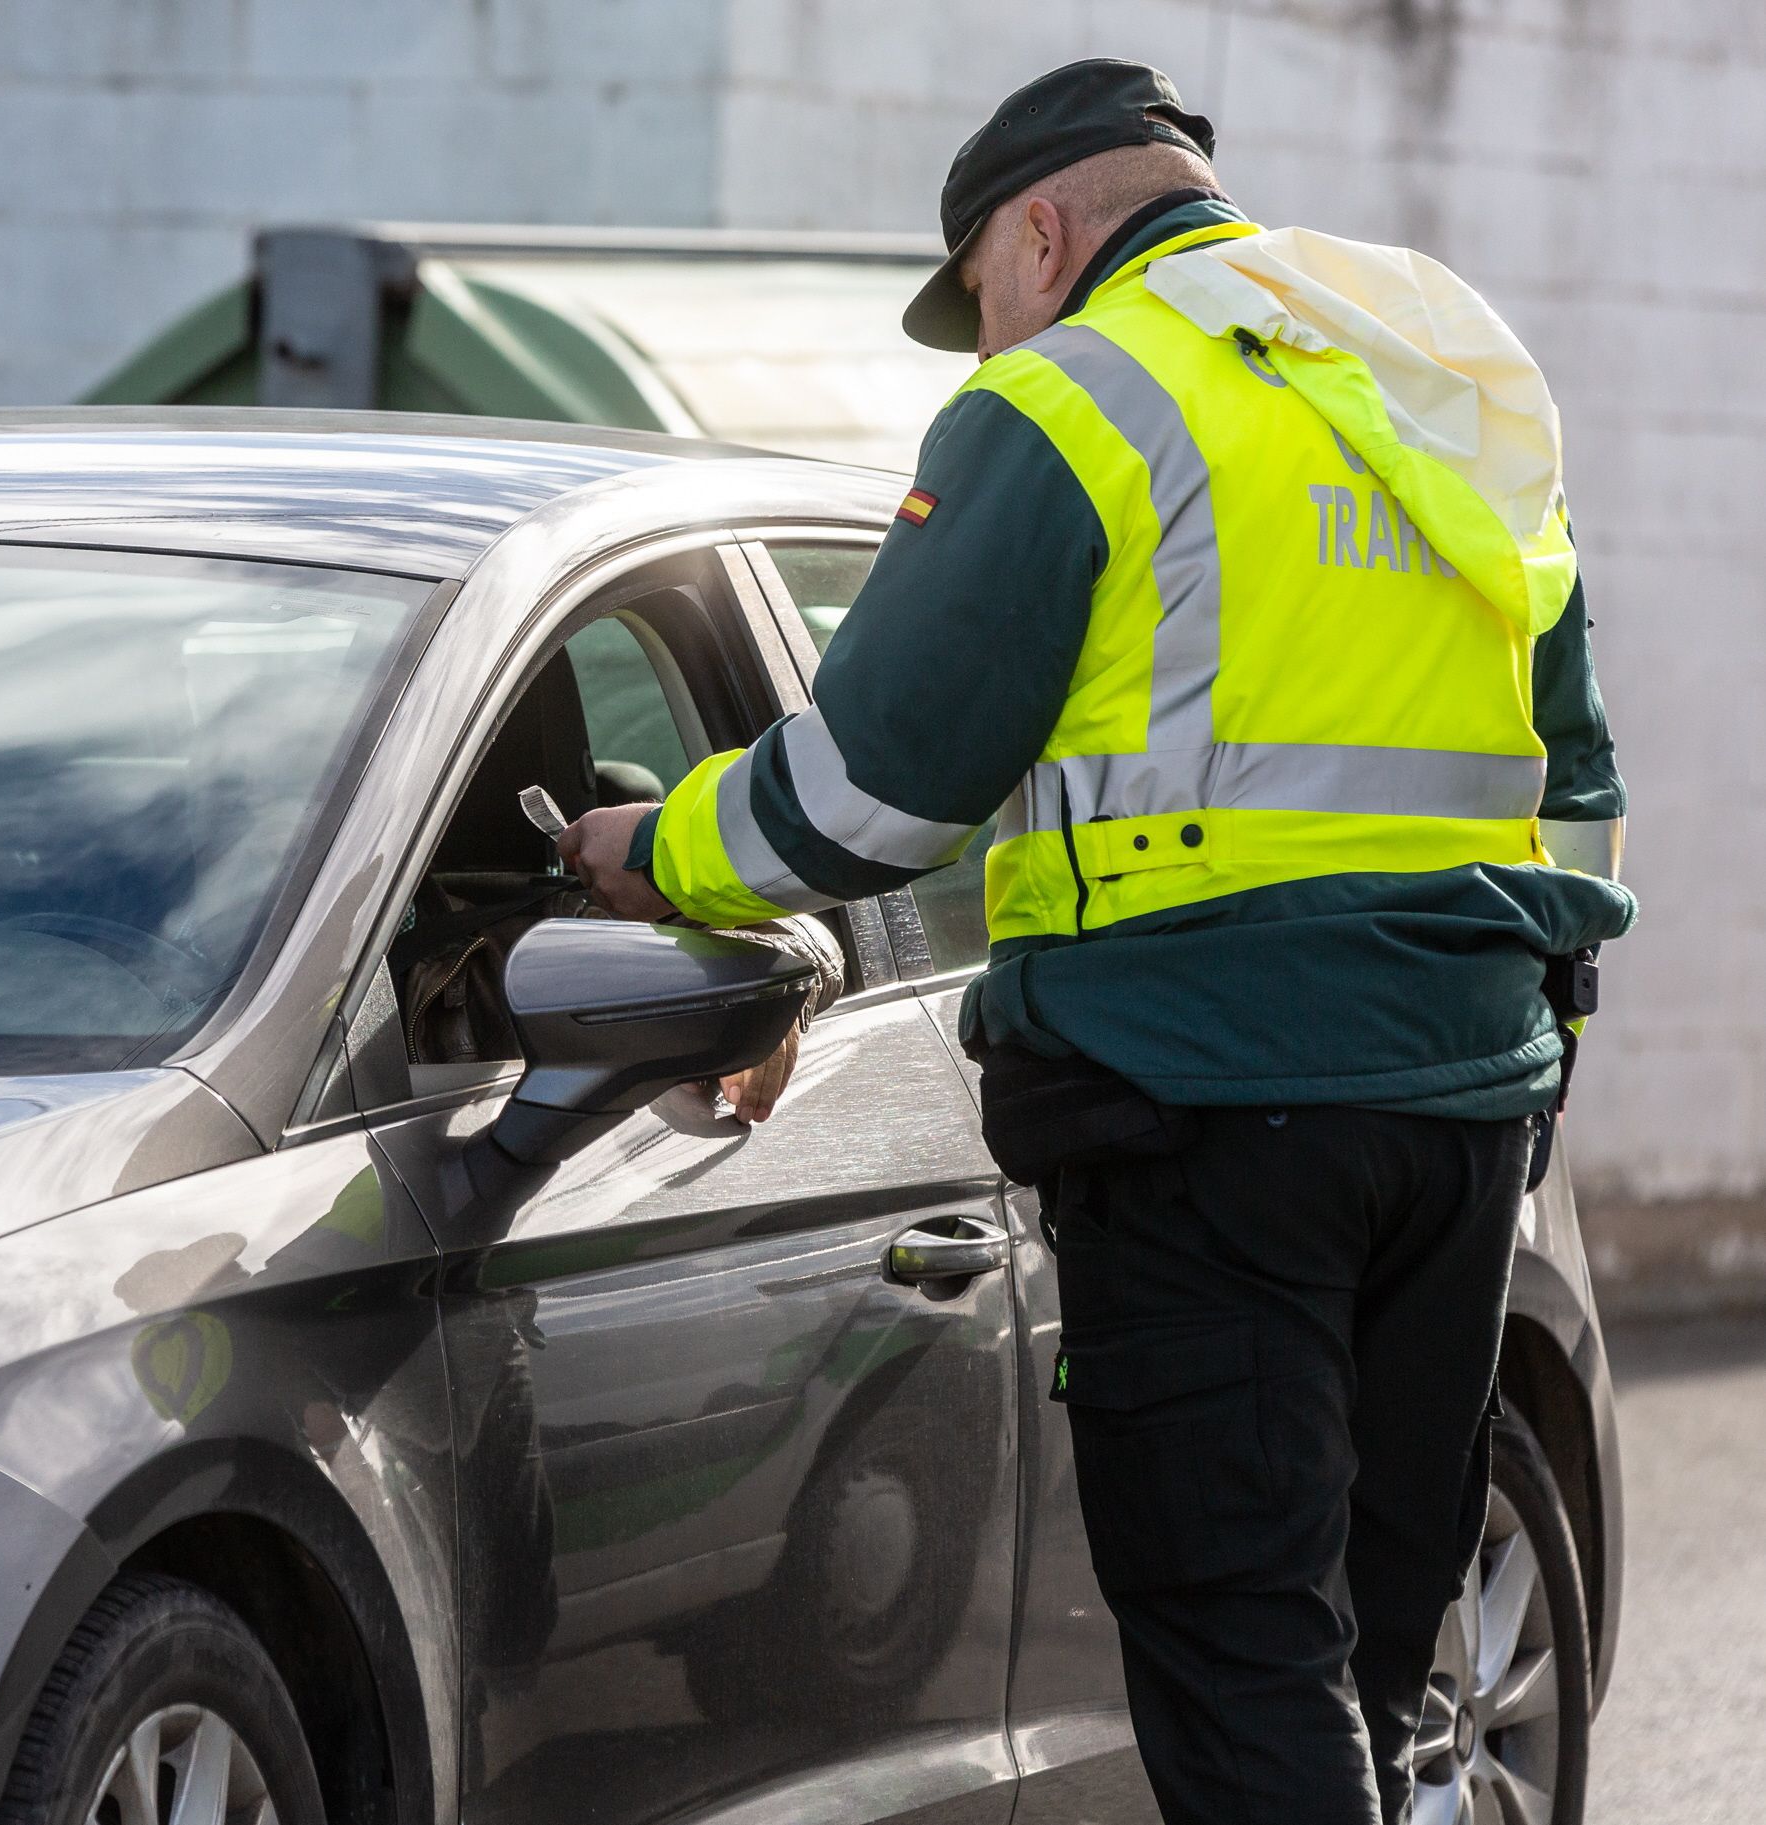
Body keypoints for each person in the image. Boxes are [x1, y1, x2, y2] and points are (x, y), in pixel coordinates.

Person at [560, 56, 1633, 1825]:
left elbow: (862, 801)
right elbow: (1574, 766)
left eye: (978, 292)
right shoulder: (1428, 371)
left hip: (1208, 1116)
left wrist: (656, 850)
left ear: (1039, 231)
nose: (983, 343)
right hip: (1458, 1121)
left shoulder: (1073, 403)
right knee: (1361, 1660)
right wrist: (1534, 1051)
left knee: (1242, 1663)